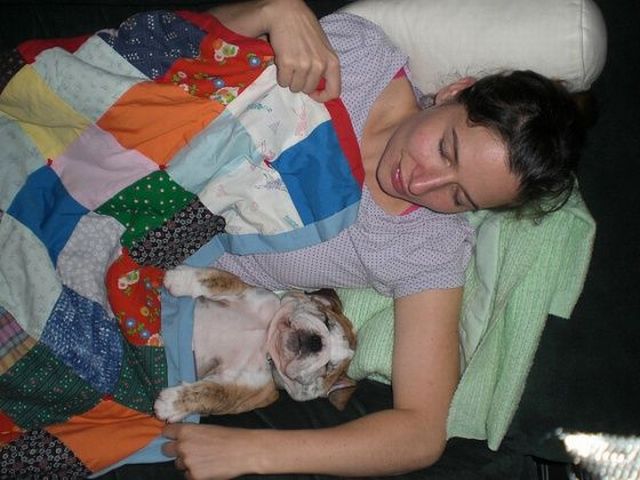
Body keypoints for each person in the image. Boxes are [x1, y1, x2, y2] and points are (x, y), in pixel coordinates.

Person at [156, 0, 585, 478]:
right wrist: (270, 12)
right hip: (140, 150)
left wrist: (253, 453)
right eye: (446, 149)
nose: (421, 184)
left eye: (458, 196)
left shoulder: (426, 248)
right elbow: (172, 54)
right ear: (454, 92)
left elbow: (421, 432)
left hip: (158, 280)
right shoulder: (358, 58)